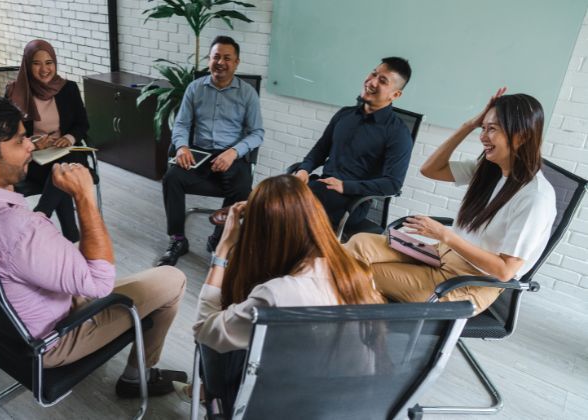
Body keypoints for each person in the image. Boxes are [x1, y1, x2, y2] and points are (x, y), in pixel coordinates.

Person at [0, 95, 187, 398]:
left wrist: (41, 217)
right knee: (172, 278)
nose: (31, 147)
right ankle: (135, 377)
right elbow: (99, 283)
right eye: (21, 140)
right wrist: (84, 197)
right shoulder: (22, 230)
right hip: (51, 338)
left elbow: (11, 245)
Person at [345, 90, 557, 314]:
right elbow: (430, 169)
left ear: (521, 136)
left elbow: (505, 271)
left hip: (468, 284)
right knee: (359, 243)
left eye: (491, 129)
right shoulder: (490, 170)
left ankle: (371, 325)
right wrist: (469, 125)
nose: (482, 136)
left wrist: (445, 235)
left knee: (357, 272)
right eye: (482, 128)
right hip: (440, 255)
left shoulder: (535, 198)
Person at [188, 174, 385, 412]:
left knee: (222, 335)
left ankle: (205, 392)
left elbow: (204, 330)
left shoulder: (276, 294)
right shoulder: (357, 274)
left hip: (286, 407)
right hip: (349, 404)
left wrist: (222, 251)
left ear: (261, 234)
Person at [157, 35, 264, 267]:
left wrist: (234, 152)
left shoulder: (248, 94)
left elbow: (257, 133)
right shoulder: (195, 88)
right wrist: (182, 146)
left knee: (243, 187)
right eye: (216, 56)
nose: (221, 62)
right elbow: (182, 124)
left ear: (236, 62)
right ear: (209, 60)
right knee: (172, 179)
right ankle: (177, 239)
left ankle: (219, 237)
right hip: (199, 153)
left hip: (230, 155)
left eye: (227, 58)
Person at [294, 57, 413, 231]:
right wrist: (304, 169)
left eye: (382, 81)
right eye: (374, 73)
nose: (371, 82)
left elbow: (393, 184)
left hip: (351, 203)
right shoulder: (345, 115)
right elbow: (320, 150)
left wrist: (345, 186)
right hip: (321, 187)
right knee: (281, 189)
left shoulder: (398, 133)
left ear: (395, 94)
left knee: (287, 205)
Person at [6, 39, 89, 242]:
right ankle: (71, 236)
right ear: (27, 65)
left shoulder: (68, 88)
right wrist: (33, 143)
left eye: (49, 62)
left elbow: (82, 124)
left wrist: (69, 138)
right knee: (61, 176)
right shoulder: (15, 92)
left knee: (61, 169)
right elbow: (7, 133)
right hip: (33, 158)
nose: (45, 69)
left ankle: (41, 215)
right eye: (37, 63)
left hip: (67, 152)